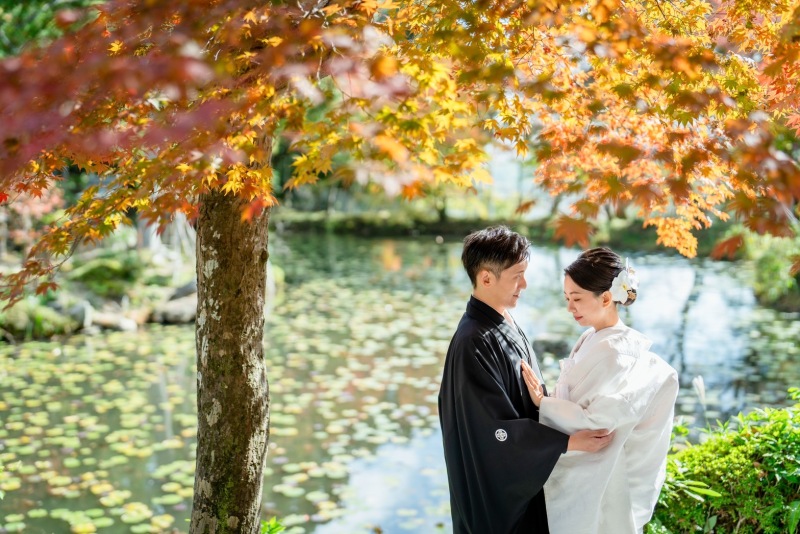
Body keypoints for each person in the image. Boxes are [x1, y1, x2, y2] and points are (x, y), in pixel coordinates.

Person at [439, 226, 614, 534]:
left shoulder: (503, 319)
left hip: (524, 482)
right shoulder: (473, 341)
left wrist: (549, 404)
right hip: (495, 500)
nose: (525, 284)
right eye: (517, 275)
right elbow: (492, 431)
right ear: (486, 278)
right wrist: (566, 442)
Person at [521, 247, 679, 534]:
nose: (570, 307)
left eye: (577, 299)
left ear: (606, 298)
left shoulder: (614, 352)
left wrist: (544, 404)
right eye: (567, 298)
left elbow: (597, 424)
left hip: (601, 473)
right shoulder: (592, 337)